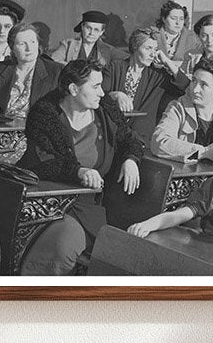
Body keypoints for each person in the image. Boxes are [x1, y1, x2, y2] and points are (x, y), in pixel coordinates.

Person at [19, 59, 144, 275]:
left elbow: (131, 140)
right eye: (95, 86)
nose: (102, 93)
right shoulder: (44, 113)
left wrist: (131, 159)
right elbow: (42, 162)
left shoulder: (106, 111)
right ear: (73, 89)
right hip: (46, 202)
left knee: (71, 245)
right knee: (61, 245)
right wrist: (78, 171)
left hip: (89, 206)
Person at [102, 27, 189, 140]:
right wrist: (116, 95)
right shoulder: (115, 67)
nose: (152, 54)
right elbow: (100, 94)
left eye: (155, 49)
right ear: (135, 47)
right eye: (148, 48)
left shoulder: (158, 75)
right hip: (112, 134)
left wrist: (167, 62)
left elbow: (186, 87)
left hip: (141, 138)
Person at [0, 22, 60, 118]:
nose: (29, 48)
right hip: (2, 129)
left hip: (38, 131)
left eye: (32, 42)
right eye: (22, 44)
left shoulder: (56, 71)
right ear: (12, 48)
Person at [50, 10, 125, 67]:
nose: (91, 33)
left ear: (102, 32)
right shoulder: (68, 44)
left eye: (96, 30)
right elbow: (53, 60)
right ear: (82, 27)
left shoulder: (108, 50)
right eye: (88, 28)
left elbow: (127, 58)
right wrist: (72, 69)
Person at [154, 0, 200, 65]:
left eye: (181, 19)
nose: (178, 23)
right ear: (164, 19)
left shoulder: (192, 38)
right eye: (173, 18)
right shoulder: (153, 35)